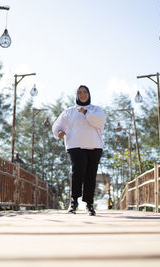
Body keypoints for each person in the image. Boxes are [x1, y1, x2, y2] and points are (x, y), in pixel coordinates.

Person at [52, 85, 106, 216]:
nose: (82, 95)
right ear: (76, 95)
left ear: (89, 94)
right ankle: (74, 201)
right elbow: (57, 126)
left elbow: (100, 123)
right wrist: (58, 132)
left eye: (85, 92)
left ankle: (89, 204)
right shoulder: (69, 112)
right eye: (80, 92)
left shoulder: (96, 110)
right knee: (78, 169)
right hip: (74, 145)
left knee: (90, 175)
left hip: (94, 145)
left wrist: (86, 112)